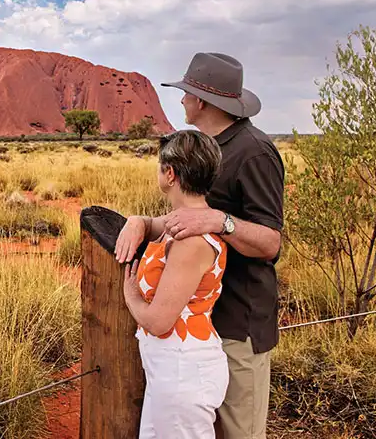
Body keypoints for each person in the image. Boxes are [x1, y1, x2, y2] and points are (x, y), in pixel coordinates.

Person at [116, 52, 284, 439]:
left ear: (203, 101)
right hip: (199, 325)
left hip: (238, 324)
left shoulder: (253, 151)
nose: (182, 101)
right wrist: (141, 222)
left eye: (187, 93)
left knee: (239, 433)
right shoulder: (208, 148)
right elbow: (186, 218)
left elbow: (271, 241)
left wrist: (219, 222)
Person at [122, 130, 229, 439]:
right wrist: (136, 221)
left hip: (183, 372)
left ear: (169, 173)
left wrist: (131, 295)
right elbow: (155, 225)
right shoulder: (183, 221)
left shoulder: (191, 240)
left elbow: (158, 321)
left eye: (160, 166)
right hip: (171, 371)